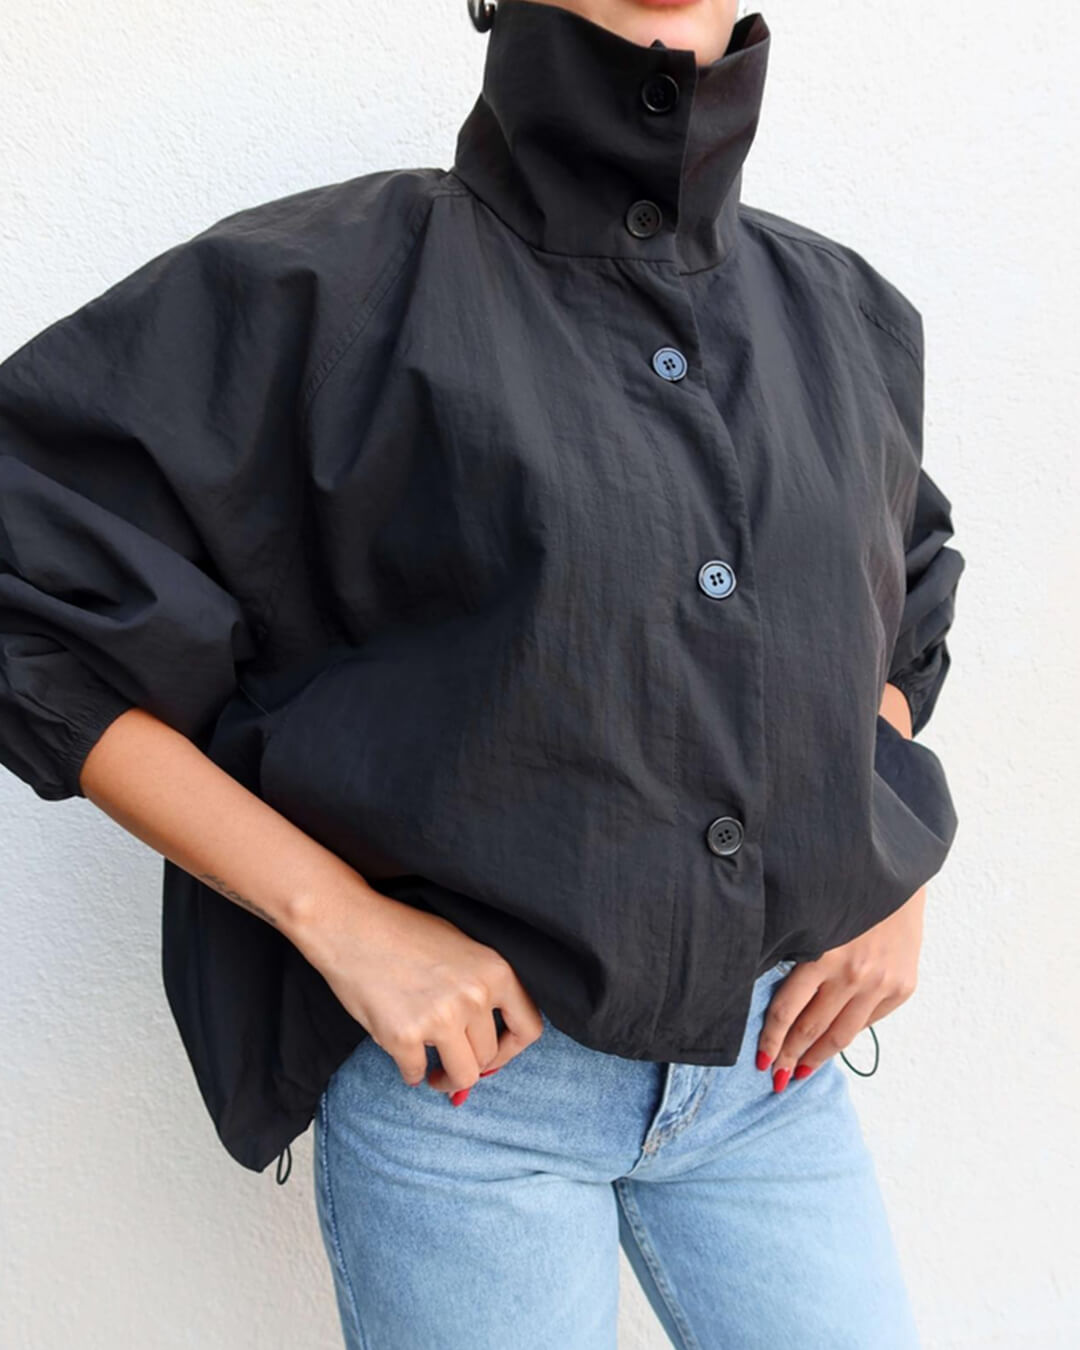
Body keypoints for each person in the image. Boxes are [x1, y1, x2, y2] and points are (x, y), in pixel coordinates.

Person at [0, 0, 964, 1345]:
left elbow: (900, 601)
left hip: (772, 1079)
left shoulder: (843, 315)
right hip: (477, 1103)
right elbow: (28, 589)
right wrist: (340, 920)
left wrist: (879, 846)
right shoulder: (328, 291)